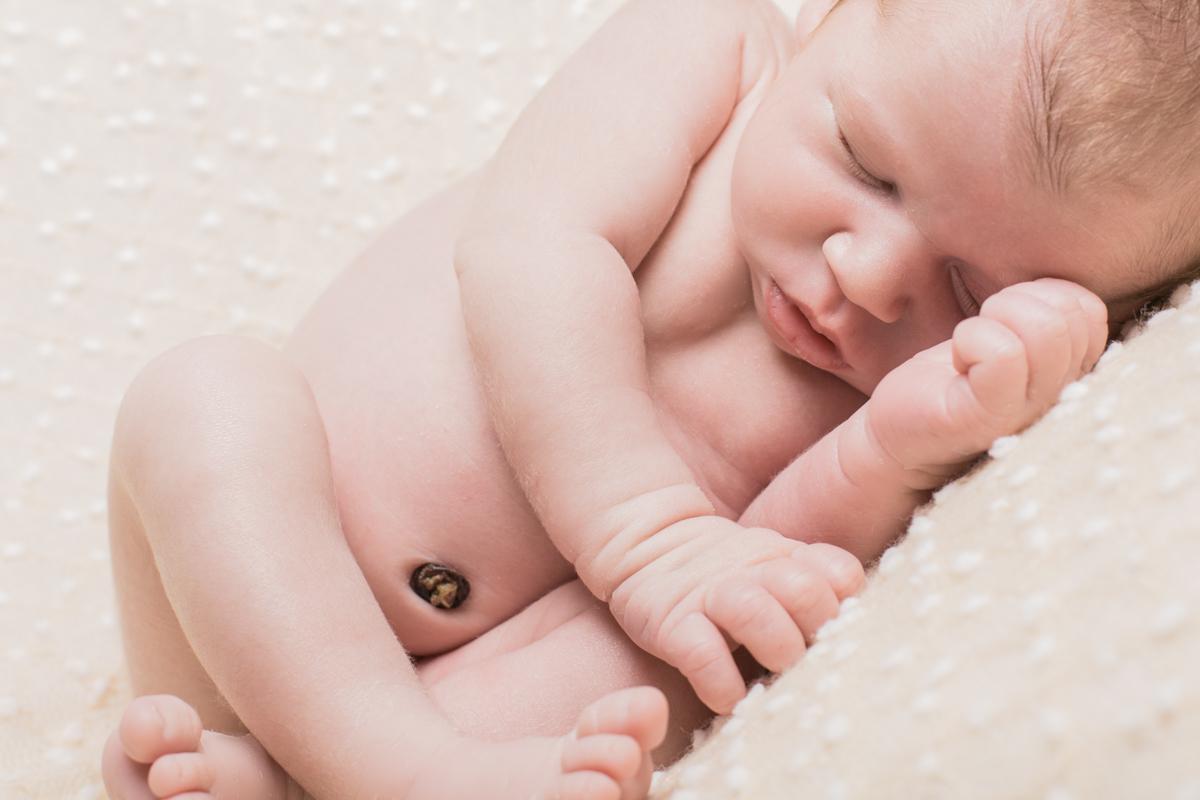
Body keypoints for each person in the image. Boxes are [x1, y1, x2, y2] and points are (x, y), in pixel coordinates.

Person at [100, 0, 1199, 797]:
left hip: (502, 720)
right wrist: (650, 537)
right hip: (243, 609)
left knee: (694, 654)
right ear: (828, 21)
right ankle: (388, 764)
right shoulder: (709, 46)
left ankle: (300, 780)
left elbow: (769, 570)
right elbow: (532, 245)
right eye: (866, 162)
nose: (868, 272)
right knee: (204, 397)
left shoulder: (935, 373)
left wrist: (901, 448)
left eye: (970, 285)